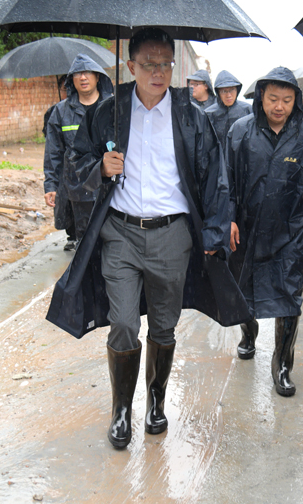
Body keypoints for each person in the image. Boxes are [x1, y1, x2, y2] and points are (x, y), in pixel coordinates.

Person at [47, 27, 248, 450]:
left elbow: (216, 178)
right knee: (122, 323)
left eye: (166, 64)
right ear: (130, 65)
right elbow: (74, 165)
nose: (159, 72)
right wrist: (100, 167)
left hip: (173, 235)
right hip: (119, 231)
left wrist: (212, 232)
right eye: (150, 64)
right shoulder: (108, 111)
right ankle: (122, 409)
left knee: (164, 324)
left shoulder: (191, 116)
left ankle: (155, 402)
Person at [226, 66, 303, 397]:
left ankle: (282, 365)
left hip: (290, 230)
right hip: (248, 228)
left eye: (286, 99)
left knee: (289, 296)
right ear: (260, 97)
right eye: (272, 99)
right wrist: (229, 218)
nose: (279, 106)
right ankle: (248, 334)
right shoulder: (240, 131)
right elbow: (226, 179)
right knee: (245, 290)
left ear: (296, 101)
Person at [44, 54, 113, 249]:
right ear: (71, 80)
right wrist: (51, 185)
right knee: (85, 243)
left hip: (109, 187)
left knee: (112, 240)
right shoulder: (61, 112)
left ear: (98, 77)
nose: (83, 77)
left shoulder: (114, 108)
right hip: (77, 188)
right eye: (78, 74)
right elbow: (53, 152)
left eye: (88, 72)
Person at [43, 76, 76, 249]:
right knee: (65, 203)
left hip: (81, 168)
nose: (67, 92)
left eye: (68, 88)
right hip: (64, 168)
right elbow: (51, 146)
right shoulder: (55, 112)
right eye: (63, 89)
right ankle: (72, 236)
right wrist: (51, 184)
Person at [204, 70, 252, 145]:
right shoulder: (209, 114)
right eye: (224, 91)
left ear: (237, 90)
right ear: (218, 92)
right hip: (217, 155)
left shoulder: (248, 110)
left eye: (232, 90)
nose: (228, 95)